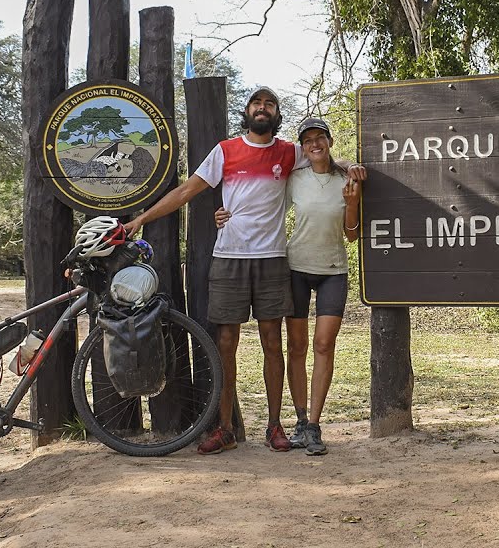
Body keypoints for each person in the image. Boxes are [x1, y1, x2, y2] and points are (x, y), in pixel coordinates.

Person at [122, 88, 364, 455]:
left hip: (272, 260)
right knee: (225, 345)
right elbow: (187, 190)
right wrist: (141, 218)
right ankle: (225, 428)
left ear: (276, 114)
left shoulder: (289, 152)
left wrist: (349, 165)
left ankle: (275, 426)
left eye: (269, 104)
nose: (262, 108)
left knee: (272, 343)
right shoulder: (225, 151)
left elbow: (324, 156)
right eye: (256, 103)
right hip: (229, 258)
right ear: (247, 112)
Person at [216, 116, 359, 456]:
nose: (314, 144)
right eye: (307, 140)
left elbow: (352, 234)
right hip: (294, 267)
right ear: (303, 147)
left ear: (329, 141)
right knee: (297, 346)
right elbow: (259, 200)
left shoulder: (348, 179)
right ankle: (298, 419)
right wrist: (225, 215)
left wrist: (352, 201)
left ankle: (314, 425)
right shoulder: (293, 178)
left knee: (324, 344)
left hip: (333, 271)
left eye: (319, 138)